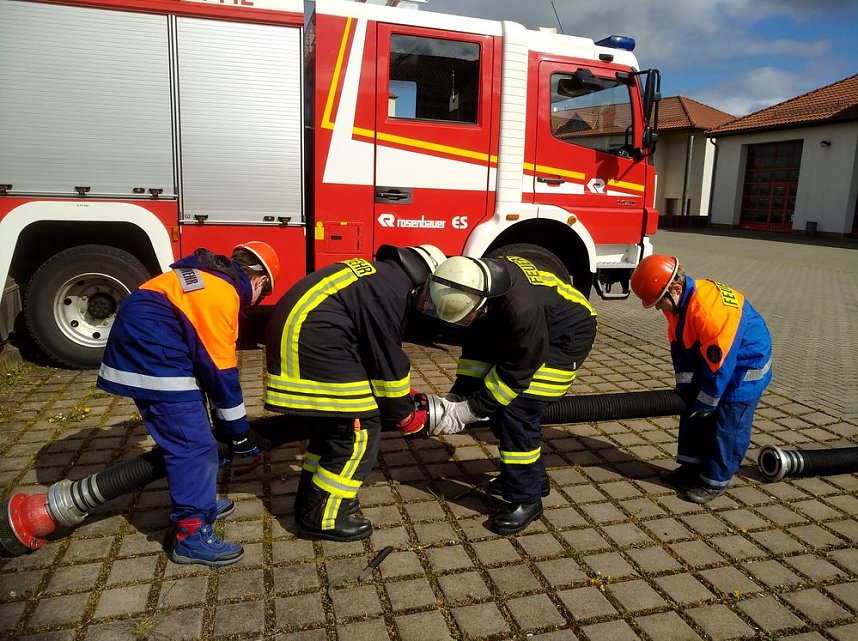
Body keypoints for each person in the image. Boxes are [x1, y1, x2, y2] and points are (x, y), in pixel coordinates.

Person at [96, 241, 280, 566]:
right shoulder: (222, 293)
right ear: (260, 281)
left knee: (198, 439)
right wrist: (238, 432)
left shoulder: (207, 279)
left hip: (151, 346)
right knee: (193, 446)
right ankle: (191, 535)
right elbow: (221, 373)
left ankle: (202, 504)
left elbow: (208, 373)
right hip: (153, 357)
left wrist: (226, 429)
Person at [263, 245, 446, 542]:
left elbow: (371, 351)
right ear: (424, 279)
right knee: (358, 432)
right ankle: (322, 519)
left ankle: (315, 502)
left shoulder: (382, 276)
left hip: (307, 345)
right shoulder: (393, 291)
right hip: (312, 351)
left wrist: (396, 395)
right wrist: (404, 414)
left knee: (332, 431)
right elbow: (386, 357)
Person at [418, 253, 598, 535]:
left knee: (517, 410)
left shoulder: (522, 309)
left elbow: (515, 375)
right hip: (535, 329)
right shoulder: (475, 281)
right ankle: (530, 480)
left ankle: (527, 501)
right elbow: (478, 348)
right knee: (504, 409)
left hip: (566, 334)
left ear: (481, 302)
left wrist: (470, 410)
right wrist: (459, 394)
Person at [630, 254, 772, 503]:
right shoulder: (678, 302)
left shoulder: (707, 311)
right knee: (692, 410)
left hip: (745, 365)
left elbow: (720, 368)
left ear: (674, 288)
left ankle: (714, 481)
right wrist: (686, 390)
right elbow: (680, 349)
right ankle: (691, 469)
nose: (655, 307)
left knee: (727, 422)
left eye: (656, 301)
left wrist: (707, 402)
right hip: (720, 359)